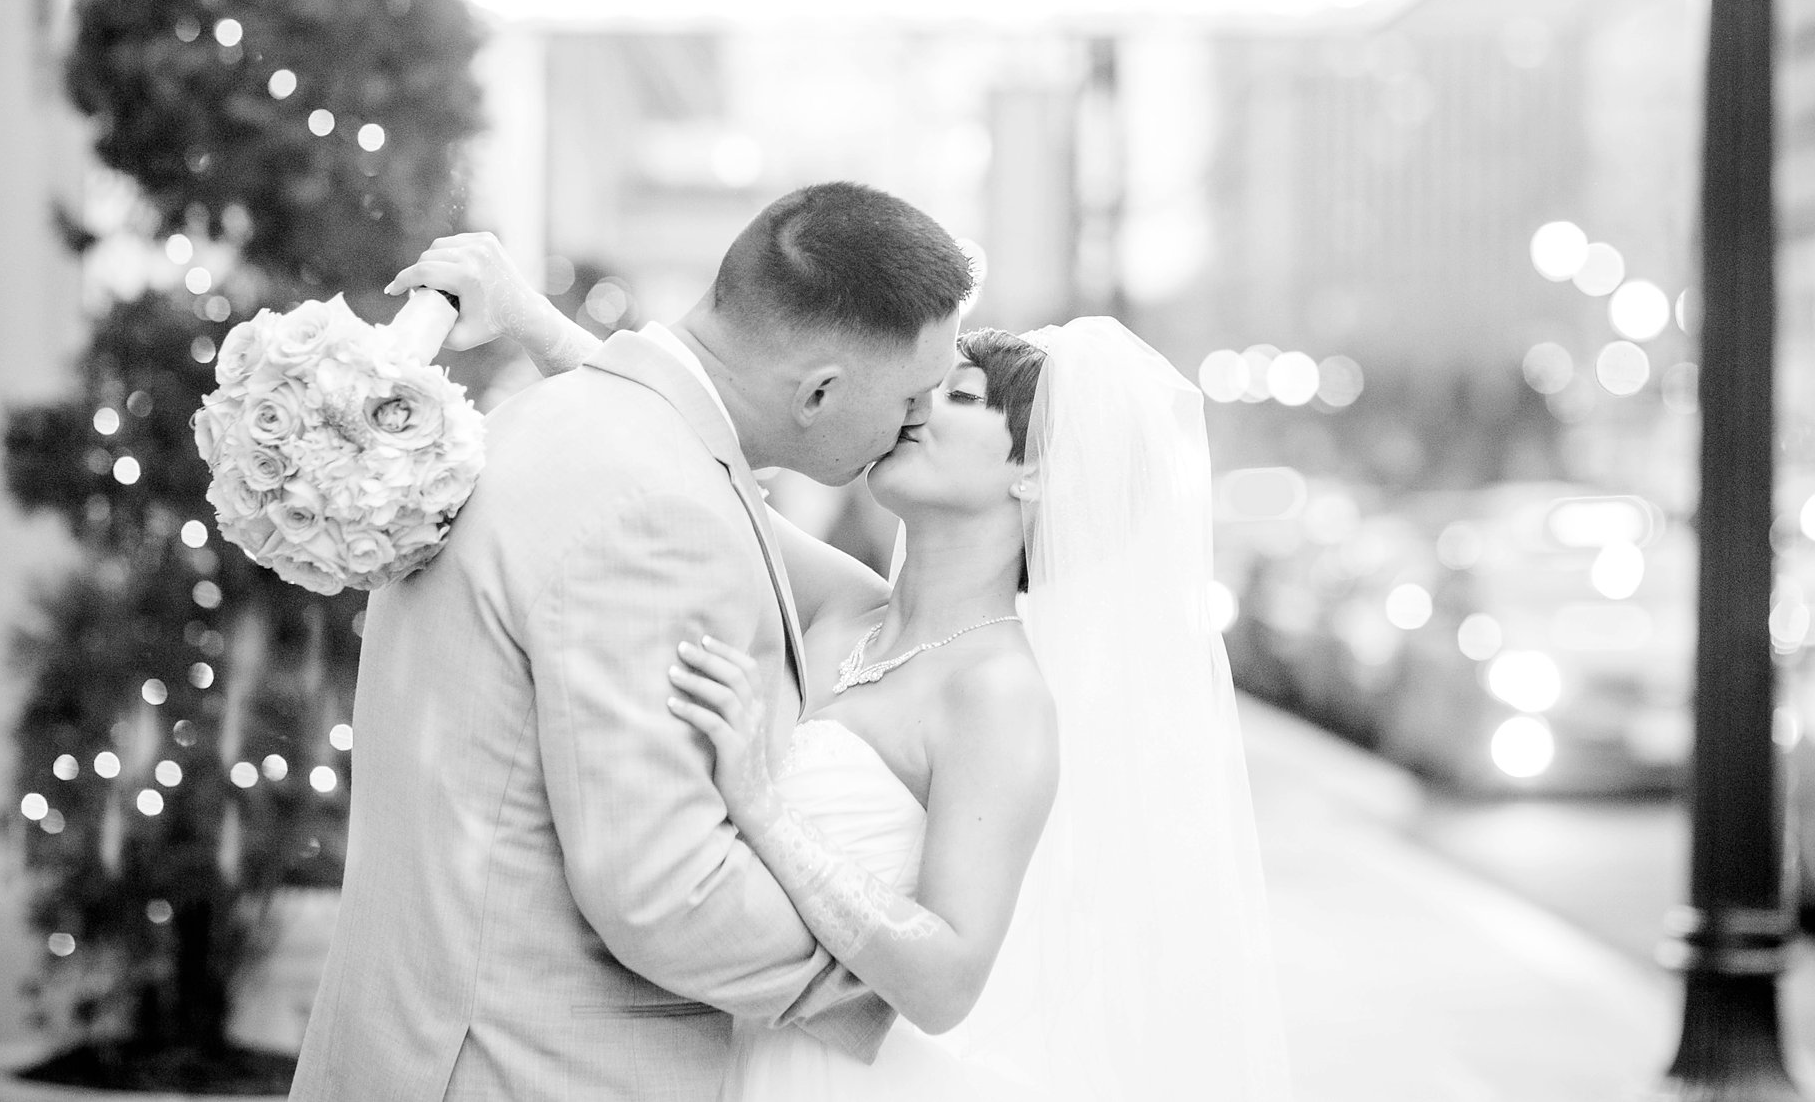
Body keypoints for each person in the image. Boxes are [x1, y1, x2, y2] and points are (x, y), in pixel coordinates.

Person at [389, 229, 1293, 1100]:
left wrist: (763, 809)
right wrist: (526, 316)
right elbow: (678, 443)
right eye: (920, 388)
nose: (913, 410)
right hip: (696, 1053)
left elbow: (946, 982)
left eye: (959, 397)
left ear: (1037, 475)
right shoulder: (846, 603)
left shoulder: (1002, 695)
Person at [288, 182, 976, 1102]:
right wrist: (890, 988)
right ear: (819, 389)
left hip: (423, 1039)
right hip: (525, 1066)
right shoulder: (660, 509)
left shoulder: (560, 423)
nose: (913, 424)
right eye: (912, 396)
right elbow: (665, 893)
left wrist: (536, 321)